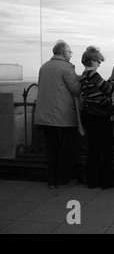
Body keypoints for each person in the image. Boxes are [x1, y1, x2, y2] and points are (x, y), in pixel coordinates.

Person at [35, 40, 81, 189]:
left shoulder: (44, 67)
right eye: (69, 52)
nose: (70, 55)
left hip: (45, 116)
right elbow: (75, 89)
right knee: (65, 150)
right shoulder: (66, 67)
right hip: (63, 116)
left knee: (51, 149)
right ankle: (62, 179)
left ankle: (51, 181)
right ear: (62, 52)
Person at [80, 46, 114, 189]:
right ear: (92, 60)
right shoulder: (93, 74)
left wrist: (111, 76)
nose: (99, 64)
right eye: (99, 61)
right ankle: (107, 179)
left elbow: (102, 88)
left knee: (93, 148)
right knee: (109, 145)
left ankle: (93, 180)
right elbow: (109, 89)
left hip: (88, 115)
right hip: (98, 116)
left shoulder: (84, 76)